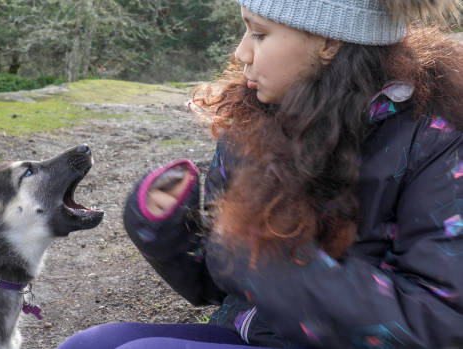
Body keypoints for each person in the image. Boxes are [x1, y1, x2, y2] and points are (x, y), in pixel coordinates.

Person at [58, 0, 463, 348]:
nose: (240, 52)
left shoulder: (435, 140)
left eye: (259, 34)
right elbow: (220, 283)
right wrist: (165, 229)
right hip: (257, 334)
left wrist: (272, 266)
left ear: (329, 41)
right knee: (92, 343)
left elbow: (440, 321)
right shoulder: (255, 120)